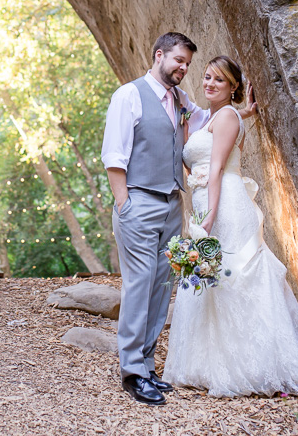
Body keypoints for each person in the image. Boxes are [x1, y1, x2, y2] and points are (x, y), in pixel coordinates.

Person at [163, 55, 298, 396]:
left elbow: (216, 168)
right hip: (208, 201)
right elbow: (204, 158)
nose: (209, 84)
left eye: (219, 80)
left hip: (227, 205)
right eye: (206, 77)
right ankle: (211, 363)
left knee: (237, 275)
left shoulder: (227, 115)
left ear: (233, 87)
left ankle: (258, 364)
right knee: (214, 280)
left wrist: (211, 214)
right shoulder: (214, 118)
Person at [101, 32, 210, 406]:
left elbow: (205, 124)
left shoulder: (181, 100)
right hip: (139, 202)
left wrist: (238, 111)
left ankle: (147, 365)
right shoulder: (128, 95)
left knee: (162, 287)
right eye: (178, 60)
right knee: (139, 286)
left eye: (187, 64)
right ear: (159, 55)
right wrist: (124, 204)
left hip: (171, 204)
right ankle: (131, 373)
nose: (182, 68)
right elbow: (114, 155)